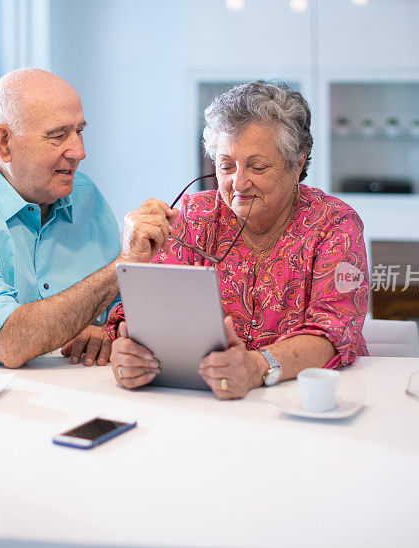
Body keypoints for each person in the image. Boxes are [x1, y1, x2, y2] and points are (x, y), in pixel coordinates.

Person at [107, 80, 369, 399]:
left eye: (257, 167)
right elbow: (146, 310)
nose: (238, 183)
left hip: (305, 399)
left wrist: (257, 367)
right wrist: (128, 349)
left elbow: (333, 333)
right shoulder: (193, 217)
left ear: (297, 163)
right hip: (206, 402)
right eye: (226, 165)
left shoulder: (335, 224)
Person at [0, 68, 176, 368]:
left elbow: (117, 308)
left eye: (80, 131)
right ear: (4, 143)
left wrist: (105, 332)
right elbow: (8, 343)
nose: (79, 152)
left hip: (74, 392)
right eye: (58, 136)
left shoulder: (86, 194)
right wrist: (124, 265)